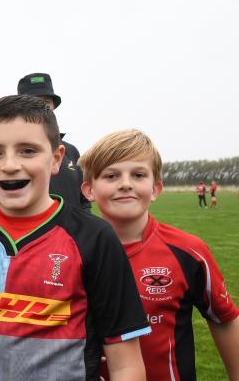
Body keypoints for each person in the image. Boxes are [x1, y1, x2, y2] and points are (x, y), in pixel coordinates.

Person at [0, 95, 150, 381]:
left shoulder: (95, 239)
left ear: (56, 159)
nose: (10, 165)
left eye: (28, 151)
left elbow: (125, 364)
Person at [78, 129, 239, 380]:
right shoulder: (69, 252)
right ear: (88, 190)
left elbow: (224, 318)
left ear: (155, 188)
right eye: (111, 175)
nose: (125, 183)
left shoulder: (188, 252)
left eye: (138, 175)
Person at [17, 72, 91, 211]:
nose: (40, 107)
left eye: (46, 102)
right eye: (33, 102)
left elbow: (84, 200)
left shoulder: (71, 151)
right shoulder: (12, 153)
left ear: (53, 107)